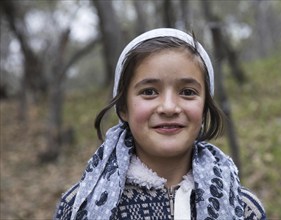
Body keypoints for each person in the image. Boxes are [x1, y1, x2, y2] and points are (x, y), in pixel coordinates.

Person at [54, 28, 266, 220]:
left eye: (187, 92)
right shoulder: (79, 206)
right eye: (149, 92)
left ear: (204, 110)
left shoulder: (243, 209)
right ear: (123, 108)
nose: (169, 107)